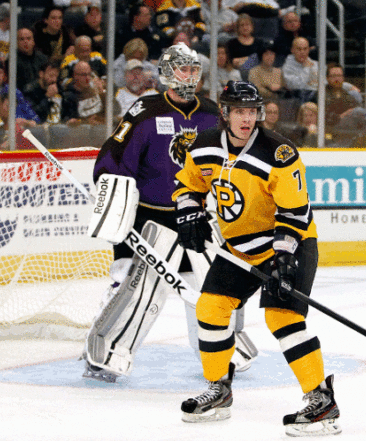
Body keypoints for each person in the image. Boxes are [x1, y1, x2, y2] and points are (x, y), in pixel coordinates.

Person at [172, 80, 340, 436]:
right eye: (240, 112)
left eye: (252, 112)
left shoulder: (279, 153)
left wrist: (282, 257)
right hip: (238, 249)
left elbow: (295, 211)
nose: (247, 119)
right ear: (225, 113)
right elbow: (188, 187)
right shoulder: (202, 147)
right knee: (210, 308)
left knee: (282, 317)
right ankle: (219, 389)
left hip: (289, 243)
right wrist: (188, 212)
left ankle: (321, 400)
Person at [83, 44, 256, 382]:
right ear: (165, 73)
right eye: (182, 69)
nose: (189, 75)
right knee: (137, 290)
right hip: (150, 218)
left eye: (193, 69)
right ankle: (106, 353)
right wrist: (111, 193)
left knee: (213, 287)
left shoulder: (211, 113)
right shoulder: (145, 111)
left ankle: (223, 350)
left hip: (195, 216)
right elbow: (115, 159)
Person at [0, 58, 41, 128]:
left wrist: (29, 122)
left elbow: (34, 117)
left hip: (22, 128)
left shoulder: (13, 91)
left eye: (0, 72)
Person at [61, 61, 105, 126]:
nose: (87, 78)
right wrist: (86, 121)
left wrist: (102, 94)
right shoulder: (68, 96)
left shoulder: (96, 90)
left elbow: (117, 110)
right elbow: (69, 121)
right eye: (83, 75)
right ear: (75, 76)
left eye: (89, 74)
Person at [22, 60, 63, 124]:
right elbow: (31, 115)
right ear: (41, 74)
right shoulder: (29, 90)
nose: (54, 80)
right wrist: (47, 97)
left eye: (56, 77)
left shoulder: (59, 89)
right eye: (51, 76)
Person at [281, 36, 318, 102]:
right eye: (299, 49)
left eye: (305, 49)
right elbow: (297, 86)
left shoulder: (316, 65)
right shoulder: (287, 67)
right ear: (292, 50)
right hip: (297, 101)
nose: (302, 52)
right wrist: (306, 68)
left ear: (309, 49)